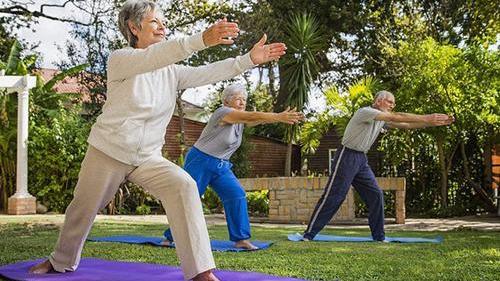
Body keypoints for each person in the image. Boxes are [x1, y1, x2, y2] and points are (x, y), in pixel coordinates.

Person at [28, 0, 287, 280]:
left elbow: (207, 73)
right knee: (83, 207)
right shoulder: (121, 59)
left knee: (185, 186)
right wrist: (201, 39)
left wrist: (248, 60)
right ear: (133, 27)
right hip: (108, 151)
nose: (163, 26)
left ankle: (201, 271)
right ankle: (60, 261)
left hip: (147, 158)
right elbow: (155, 56)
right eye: (154, 22)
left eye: (163, 21)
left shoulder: (171, 73)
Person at [162, 84, 304, 250]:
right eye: (238, 99)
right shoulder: (223, 113)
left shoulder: (240, 120)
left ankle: (241, 239)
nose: (242, 102)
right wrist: (278, 116)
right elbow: (252, 116)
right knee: (190, 198)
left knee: (236, 194)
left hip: (221, 165)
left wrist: (278, 118)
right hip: (201, 161)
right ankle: (170, 237)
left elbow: (255, 119)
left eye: (244, 99)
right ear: (226, 101)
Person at [302, 90, 454, 242]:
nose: (392, 105)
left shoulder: (381, 119)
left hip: (361, 160)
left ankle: (379, 237)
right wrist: (428, 116)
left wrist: (431, 122)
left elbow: (405, 124)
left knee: (375, 195)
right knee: (335, 196)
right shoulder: (365, 112)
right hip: (347, 156)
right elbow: (397, 116)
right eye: (390, 102)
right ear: (379, 101)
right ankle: (309, 234)